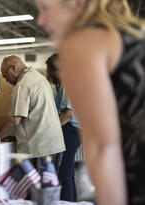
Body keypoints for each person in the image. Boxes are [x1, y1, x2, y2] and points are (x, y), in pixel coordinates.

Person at [36, 0, 145, 204]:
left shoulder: (82, 44)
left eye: (45, 8)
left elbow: (103, 146)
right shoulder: (136, 33)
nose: (41, 20)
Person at [0, 55, 65, 172]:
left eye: (6, 76)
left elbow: (14, 121)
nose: (6, 80)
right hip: (55, 147)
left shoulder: (22, 84)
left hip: (39, 151)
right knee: (49, 188)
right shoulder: (39, 78)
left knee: (39, 189)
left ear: (13, 68)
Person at [46, 53, 81, 201]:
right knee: (68, 175)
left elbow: (68, 113)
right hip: (73, 131)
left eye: (49, 71)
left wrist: (52, 130)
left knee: (63, 175)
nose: (48, 74)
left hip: (70, 130)